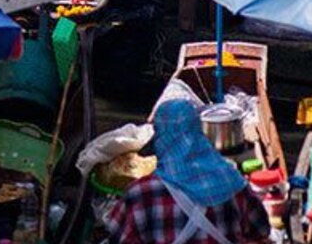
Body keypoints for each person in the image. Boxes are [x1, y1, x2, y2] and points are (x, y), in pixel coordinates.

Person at [108, 100, 272, 244]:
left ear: (161, 138)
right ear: (199, 132)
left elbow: (116, 235)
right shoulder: (232, 180)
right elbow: (261, 230)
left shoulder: (140, 192)